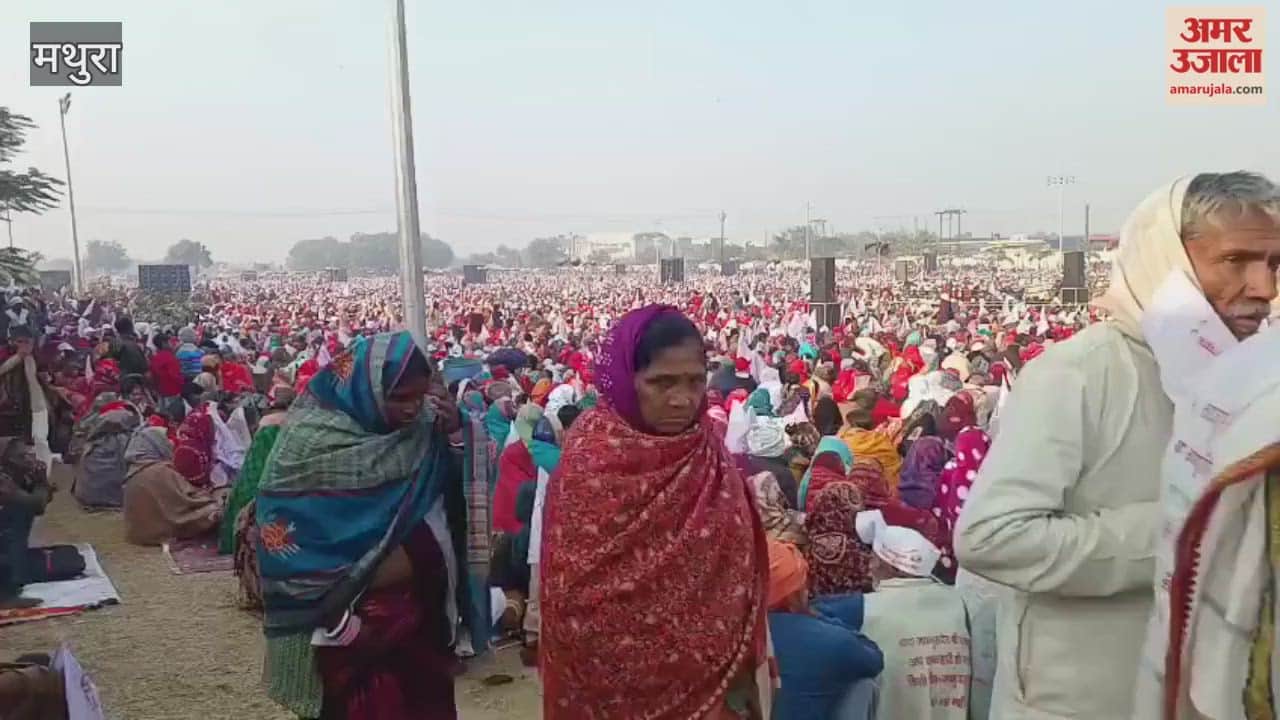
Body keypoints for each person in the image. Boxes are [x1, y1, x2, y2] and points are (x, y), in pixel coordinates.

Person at [954, 174, 1277, 719]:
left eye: (1273, 264)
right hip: (1078, 703)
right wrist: (1188, 531)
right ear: (1165, 262)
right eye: (1235, 261)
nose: (1263, 288)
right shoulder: (1079, 373)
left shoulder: (1254, 383)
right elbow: (992, 537)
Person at [540, 305, 772, 719]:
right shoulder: (591, 458)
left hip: (715, 693)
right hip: (607, 698)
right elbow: (572, 598)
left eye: (694, 381)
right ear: (625, 380)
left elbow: (740, 570)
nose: (682, 399)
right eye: (661, 383)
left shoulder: (710, 454)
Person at [256, 331, 475, 720]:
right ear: (367, 387)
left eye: (419, 395)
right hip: (349, 625)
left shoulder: (427, 427)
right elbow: (281, 523)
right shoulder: (308, 442)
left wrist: (457, 429)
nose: (411, 408)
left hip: (419, 617)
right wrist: (339, 611)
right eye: (399, 397)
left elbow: (459, 495)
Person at [859, 510, 971, 719]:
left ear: (891, 567)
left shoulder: (867, 608)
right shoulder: (957, 602)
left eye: (874, 559)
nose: (870, 567)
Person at [766, 539, 883, 720]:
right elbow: (874, 659)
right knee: (863, 686)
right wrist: (814, 615)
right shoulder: (828, 639)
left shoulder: (724, 635)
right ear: (798, 590)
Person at [122, 426, 223, 546]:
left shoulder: (134, 471)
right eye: (166, 439)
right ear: (157, 444)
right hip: (162, 529)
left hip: (139, 533)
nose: (171, 443)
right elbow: (190, 499)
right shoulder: (160, 470)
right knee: (218, 508)